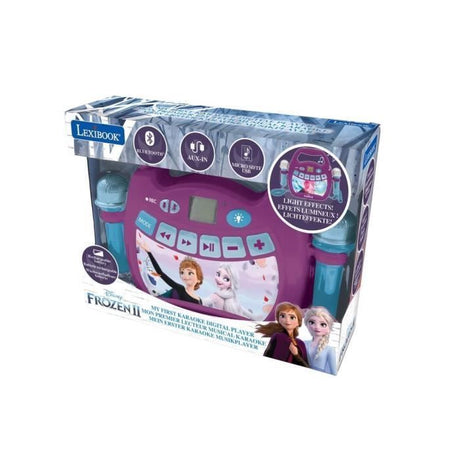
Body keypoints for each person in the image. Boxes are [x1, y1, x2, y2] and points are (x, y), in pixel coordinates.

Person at [137, 238, 203, 305]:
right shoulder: (180, 289)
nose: (185, 276)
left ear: (199, 280)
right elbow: (160, 273)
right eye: (182, 272)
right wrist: (149, 252)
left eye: (190, 273)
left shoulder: (199, 301)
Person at [255, 302, 309, 367]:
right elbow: (267, 355)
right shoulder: (278, 337)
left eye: (292, 317)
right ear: (278, 319)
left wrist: (296, 355)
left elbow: (306, 366)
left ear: (298, 323)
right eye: (282, 316)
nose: (287, 320)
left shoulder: (301, 343)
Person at [304, 307, 337, 375]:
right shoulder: (303, 343)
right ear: (306, 324)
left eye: (323, 324)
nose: (317, 327)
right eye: (312, 322)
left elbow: (333, 372)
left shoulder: (330, 350)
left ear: (329, 328)